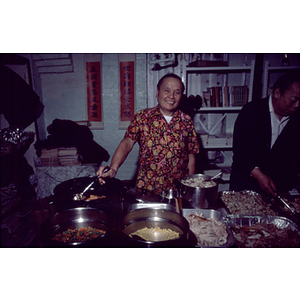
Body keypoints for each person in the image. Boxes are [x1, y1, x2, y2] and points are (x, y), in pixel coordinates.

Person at [97, 73, 200, 195]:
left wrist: (190, 188)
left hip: (177, 192)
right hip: (147, 189)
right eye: (167, 90)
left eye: (177, 92)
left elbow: (190, 156)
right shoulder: (142, 117)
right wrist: (113, 168)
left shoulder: (186, 121)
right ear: (157, 93)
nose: (171, 96)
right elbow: (127, 142)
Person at [230, 71, 300, 197]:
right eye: (294, 99)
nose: (297, 105)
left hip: (278, 188)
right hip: (246, 183)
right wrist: (258, 175)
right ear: (278, 93)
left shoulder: (297, 118)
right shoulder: (251, 111)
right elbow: (239, 148)